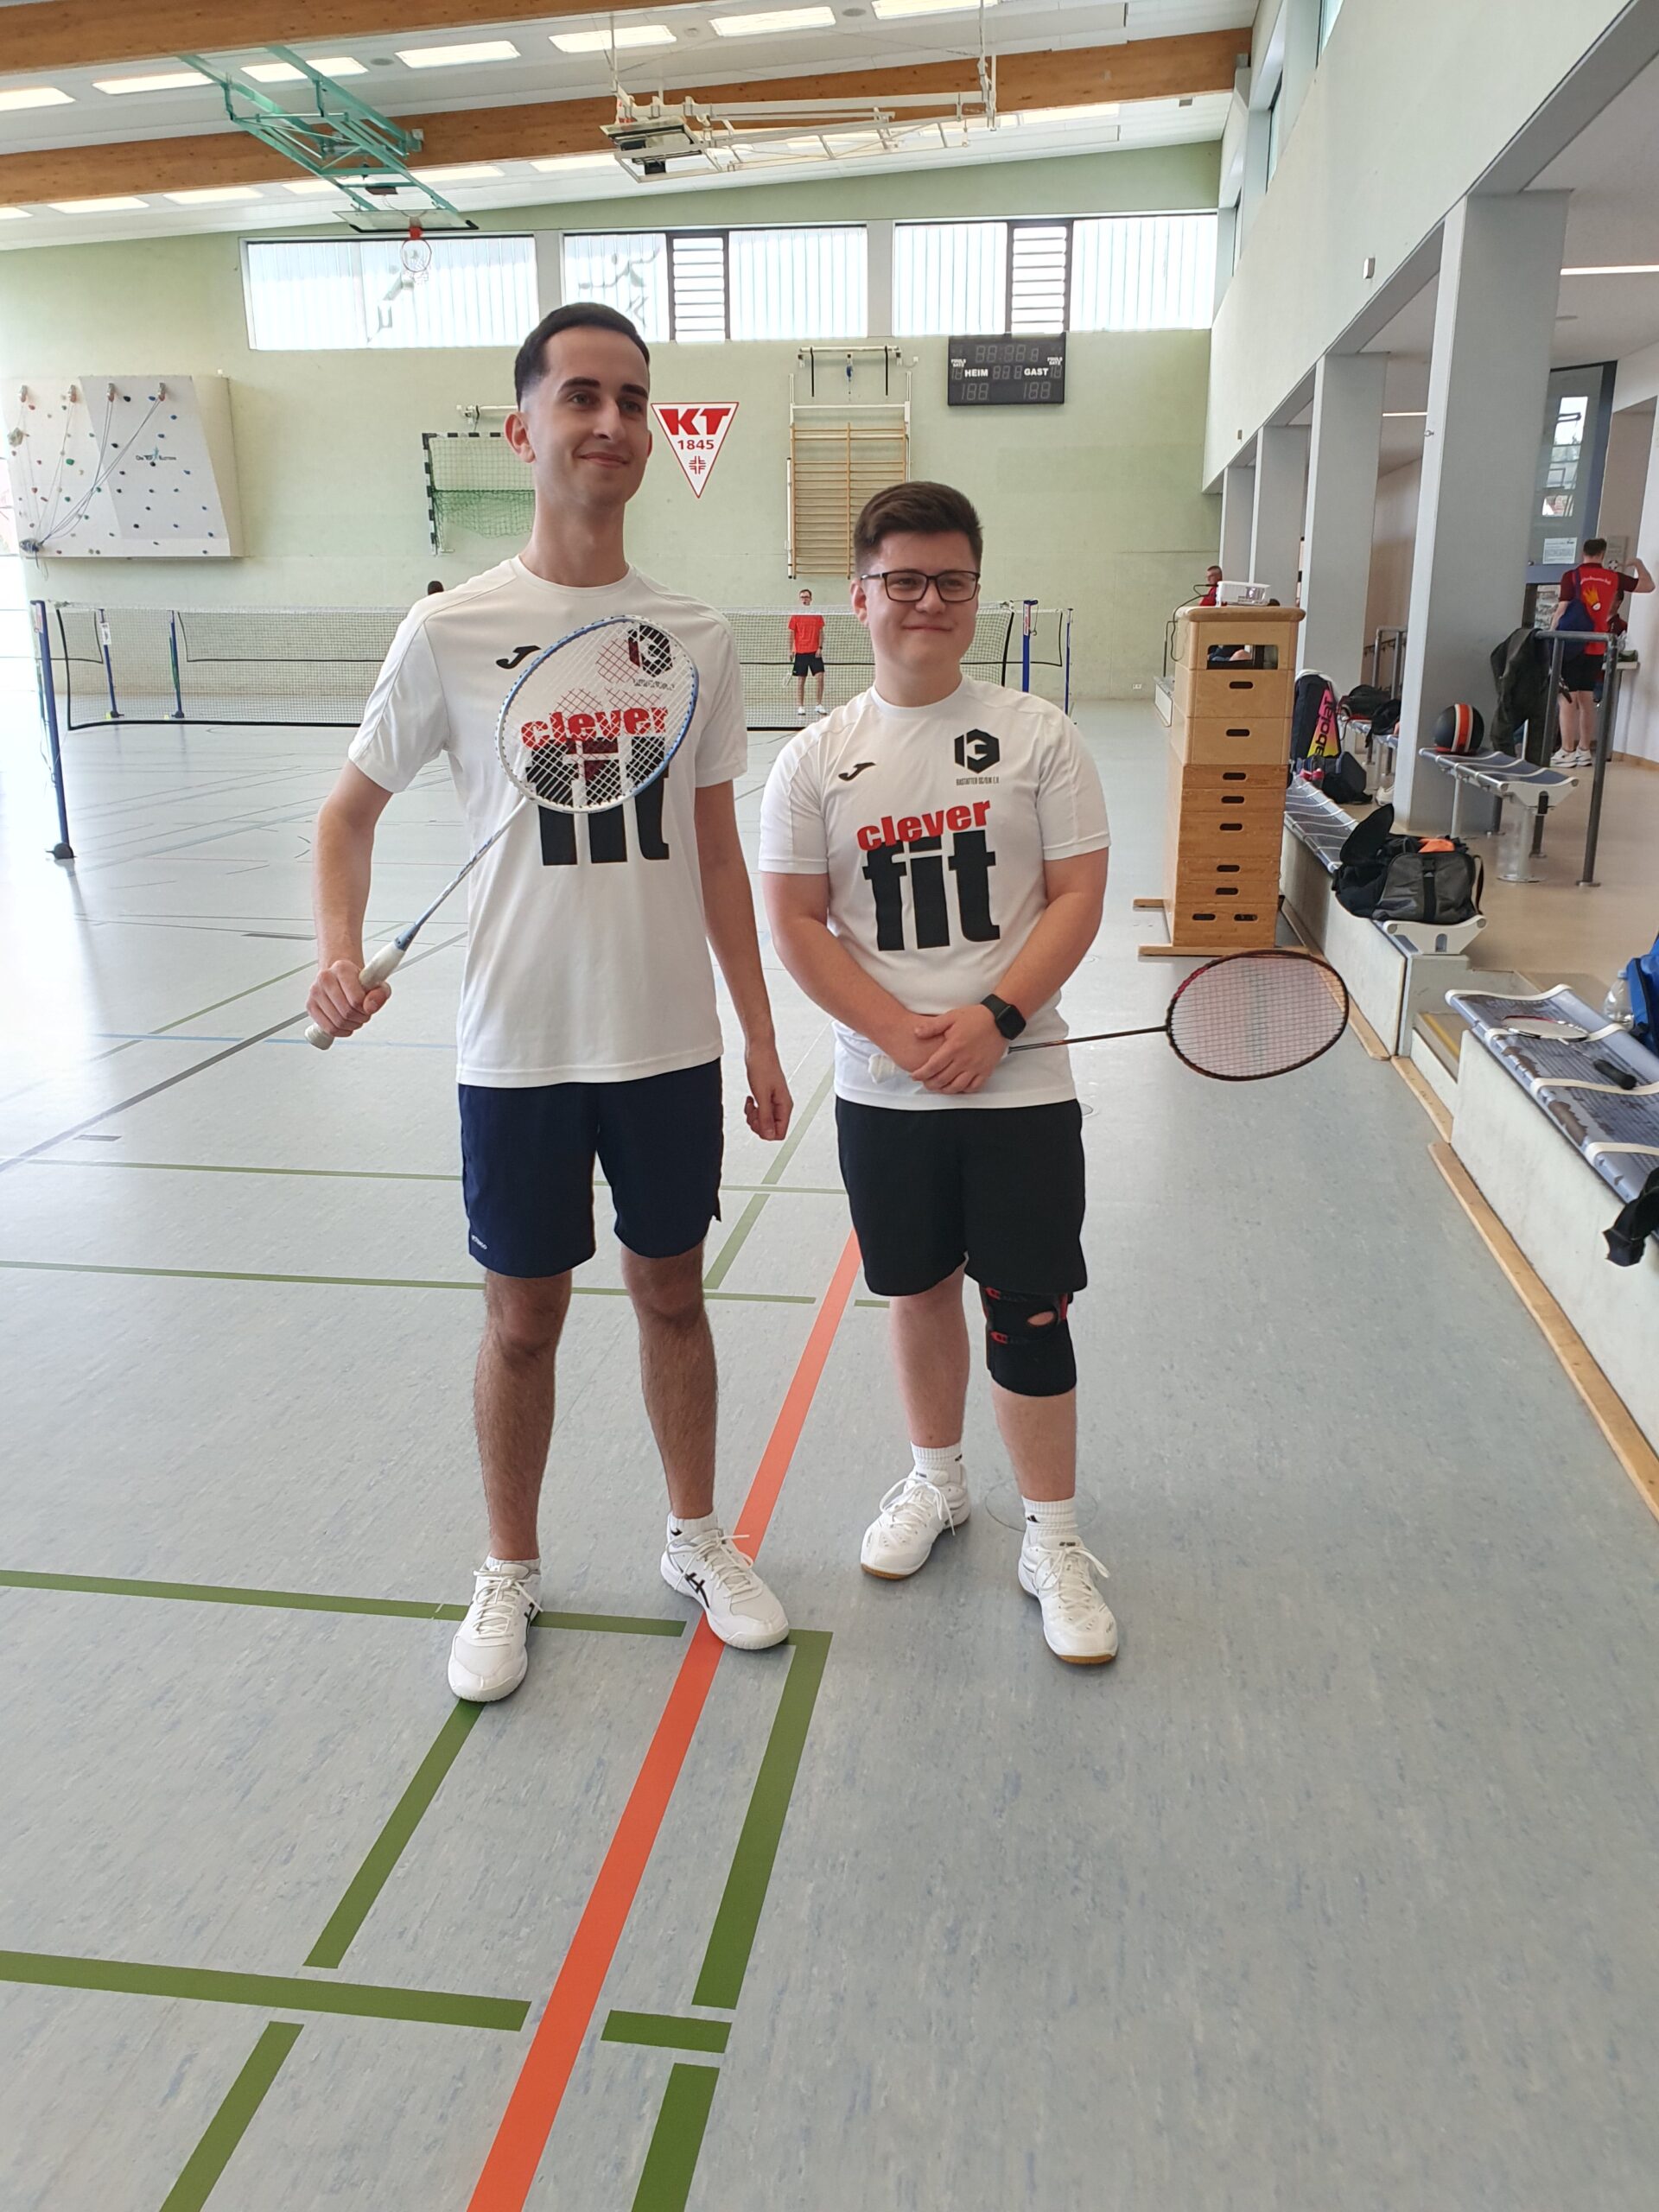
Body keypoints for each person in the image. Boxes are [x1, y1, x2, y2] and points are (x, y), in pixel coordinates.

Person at [307, 302, 795, 1703]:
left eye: (632, 399)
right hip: (515, 1050)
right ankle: (509, 1566)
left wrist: (762, 1034)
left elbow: (716, 853)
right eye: (581, 396)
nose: (611, 422)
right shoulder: (450, 629)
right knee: (522, 1321)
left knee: (672, 1300)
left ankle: (696, 1538)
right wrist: (337, 950)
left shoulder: (696, 635)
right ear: (523, 431)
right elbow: (346, 816)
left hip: (665, 1045)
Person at [760, 481, 1116, 1665]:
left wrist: (997, 1019)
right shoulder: (814, 760)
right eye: (903, 580)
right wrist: (902, 1033)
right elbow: (796, 921)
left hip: (1020, 1083)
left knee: (1028, 1306)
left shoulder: (1039, 736)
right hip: (887, 1090)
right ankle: (938, 1481)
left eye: (950, 581)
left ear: (975, 594)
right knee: (916, 1292)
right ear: (859, 597)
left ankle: (1053, 1537)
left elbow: (1077, 897)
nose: (928, 601)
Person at [1551, 537, 1653, 767]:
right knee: (1586, 697)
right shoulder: (1613, 578)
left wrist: (1551, 635)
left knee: (1567, 697)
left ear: (1583, 553)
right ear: (1602, 555)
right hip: (1598, 644)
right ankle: (1584, 750)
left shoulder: (1572, 576)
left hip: (1573, 644)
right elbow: (1648, 586)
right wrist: (1638, 564)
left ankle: (1566, 750)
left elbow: (1562, 610)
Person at [788, 587, 827, 720]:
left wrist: (820, 647)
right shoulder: (795, 616)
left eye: (806, 597)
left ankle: (819, 704)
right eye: (802, 597)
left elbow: (821, 632)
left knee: (820, 677)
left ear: (811, 599)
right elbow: (791, 634)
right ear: (800, 599)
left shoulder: (817, 615)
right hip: (800, 652)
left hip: (815, 652)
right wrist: (791, 650)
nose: (804, 599)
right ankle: (800, 706)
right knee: (801, 680)